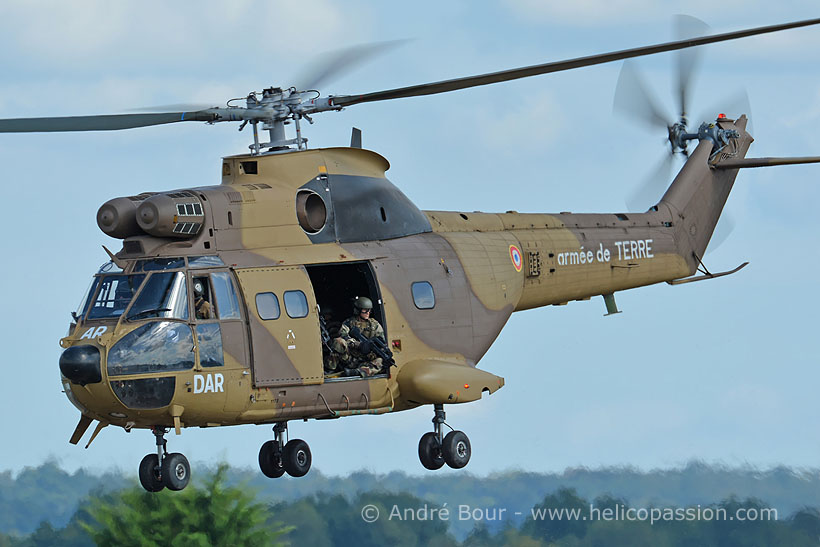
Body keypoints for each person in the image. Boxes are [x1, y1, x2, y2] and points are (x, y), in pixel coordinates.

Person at [335, 296, 385, 377]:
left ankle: (358, 372)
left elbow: (382, 342)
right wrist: (357, 344)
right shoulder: (349, 323)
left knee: (382, 360)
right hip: (351, 358)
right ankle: (331, 369)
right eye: (365, 310)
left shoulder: (375, 325)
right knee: (338, 342)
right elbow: (343, 335)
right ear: (357, 310)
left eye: (369, 310)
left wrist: (373, 348)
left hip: (367, 360)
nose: (368, 313)